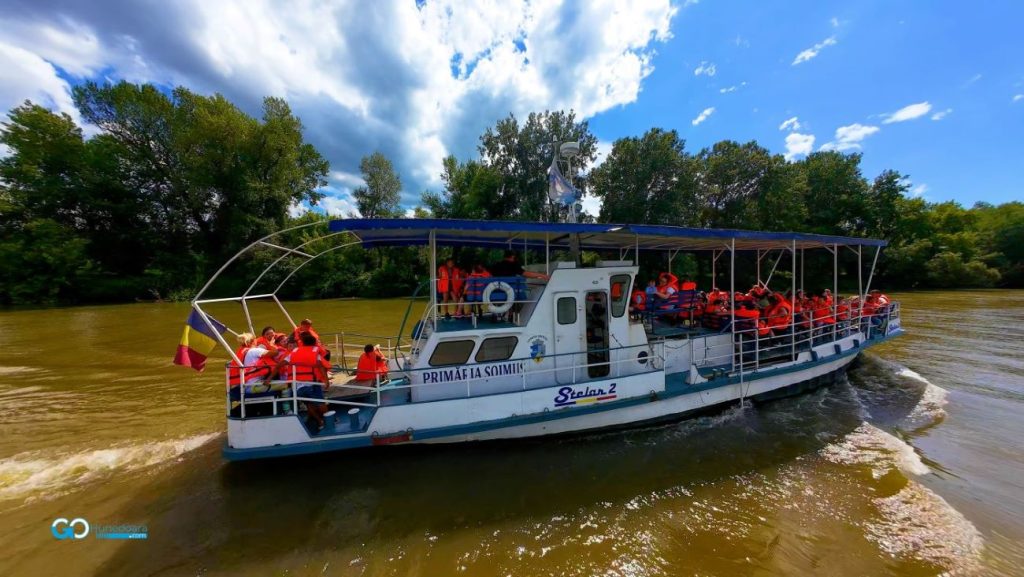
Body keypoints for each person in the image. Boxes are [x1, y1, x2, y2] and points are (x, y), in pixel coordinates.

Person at [275, 332, 331, 431]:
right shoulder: (314, 353)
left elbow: (280, 364)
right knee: (321, 403)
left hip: (298, 386)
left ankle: (320, 421)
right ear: (314, 344)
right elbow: (320, 366)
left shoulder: (293, 353)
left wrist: (269, 377)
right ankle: (329, 420)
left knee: (309, 404)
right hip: (311, 384)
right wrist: (326, 380)